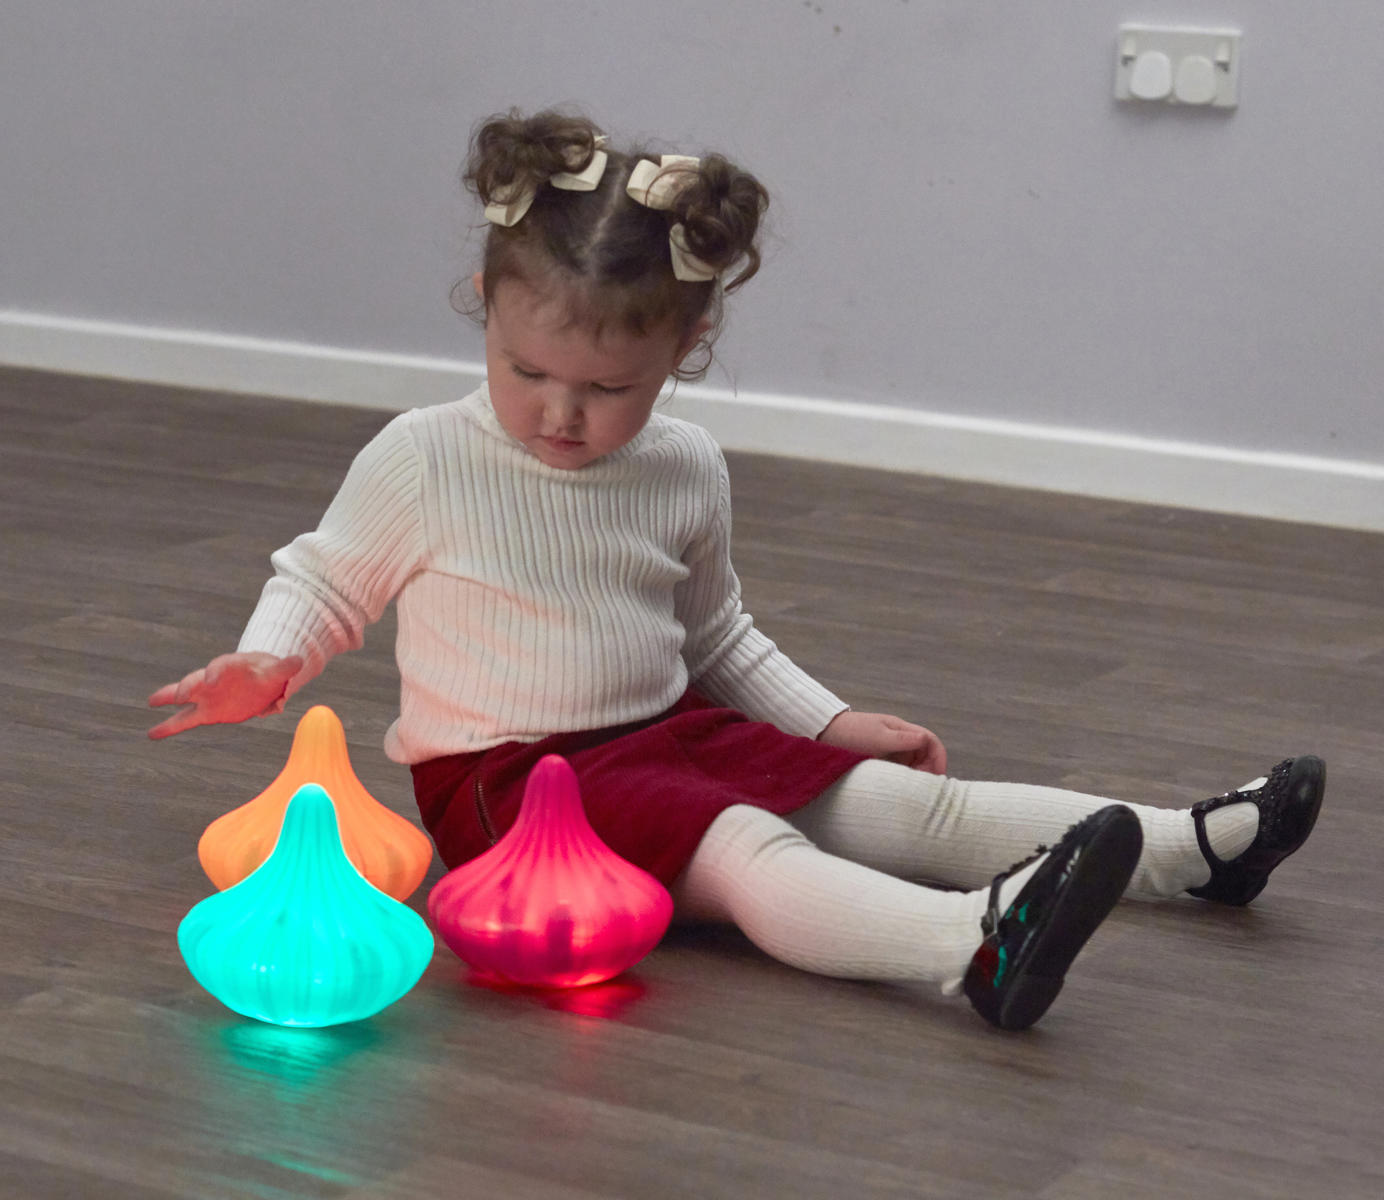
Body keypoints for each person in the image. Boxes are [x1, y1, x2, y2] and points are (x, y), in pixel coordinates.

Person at [148, 109, 1325, 1031]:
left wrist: (831, 723)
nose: (559, 413)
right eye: (525, 371)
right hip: (509, 786)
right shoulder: (423, 457)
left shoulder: (683, 465)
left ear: (684, 349)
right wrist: (268, 659)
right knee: (751, 851)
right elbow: (327, 579)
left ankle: (1194, 852)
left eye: (608, 388)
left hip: (667, 730)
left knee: (903, 803)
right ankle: (971, 945)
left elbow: (716, 637)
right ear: (484, 314)